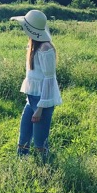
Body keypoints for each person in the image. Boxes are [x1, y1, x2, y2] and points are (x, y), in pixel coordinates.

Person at [9, 9, 62, 160]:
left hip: (42, 102)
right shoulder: (32, 45)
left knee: (40, 143)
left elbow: (49, 79)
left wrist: (40, 108)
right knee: (23, 138)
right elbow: (33, 78)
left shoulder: (46, 48)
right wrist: (29, 101)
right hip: (31, 99)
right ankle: (22, 167)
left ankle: (44, 170)